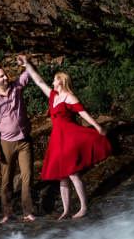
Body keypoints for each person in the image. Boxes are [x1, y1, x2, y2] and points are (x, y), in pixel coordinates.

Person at [18, 55, 111, 219]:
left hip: (70, 137)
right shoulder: (54, 96)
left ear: (60, 81)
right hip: (57, 139)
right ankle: (66, 210)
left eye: (54, 79)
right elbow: (39, 81)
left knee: (73, 173)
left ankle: (83, 207)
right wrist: (27, 65)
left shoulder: (69, 97)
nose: (52, 81)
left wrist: (97, 127)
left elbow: (83, 113)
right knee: (63, 176)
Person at [0, 59, 36, 223]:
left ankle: (28, 211)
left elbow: (31, 73)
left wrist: (27, 62)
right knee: (7, 180)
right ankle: (8, 213)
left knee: (27, 175)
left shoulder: (17, 87)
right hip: (6, 143)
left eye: (5, 75)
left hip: (24, 140)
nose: (5, 78)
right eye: (1, 76)